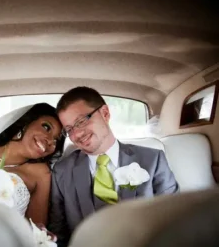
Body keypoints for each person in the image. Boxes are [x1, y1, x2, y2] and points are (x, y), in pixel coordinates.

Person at [48, 86, 179, 247]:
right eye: (69, 129)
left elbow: (175, 220)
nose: (77, 134)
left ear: (105, 113)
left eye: (81, 121)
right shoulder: (62, 172)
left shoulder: (153, 159)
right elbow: (58, 235)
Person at [0, 103, 65, 225]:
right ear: (27, 122)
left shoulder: (40, 174)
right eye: (46, 127)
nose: (50, 141)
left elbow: (37, 231)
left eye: (56, 140)